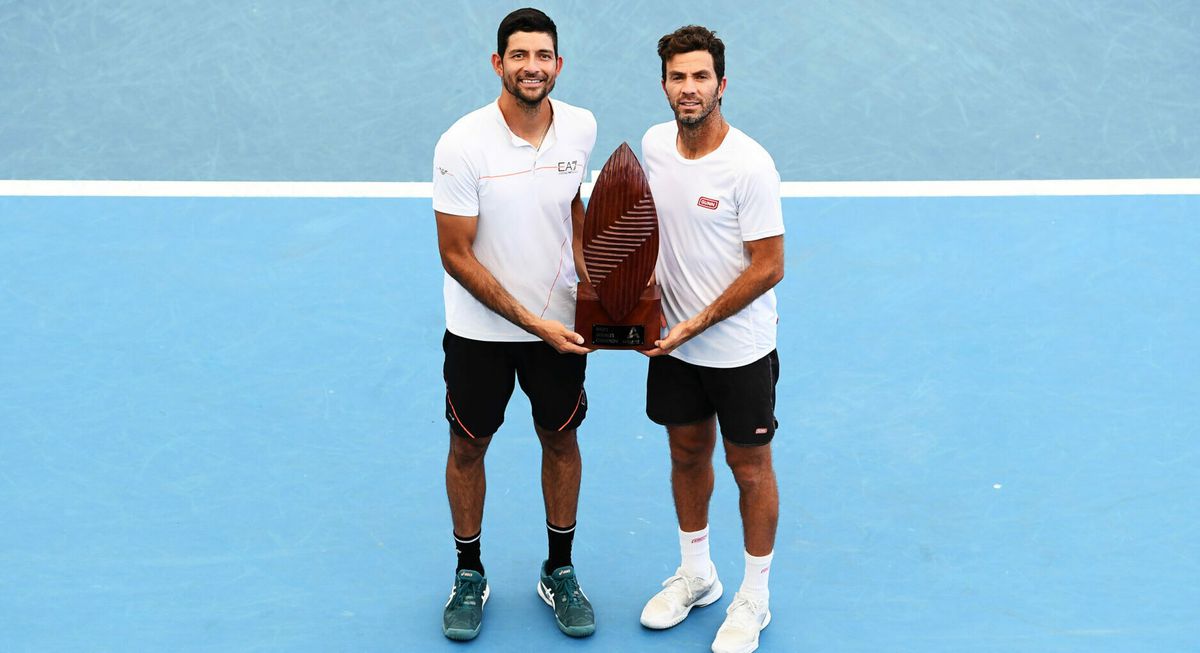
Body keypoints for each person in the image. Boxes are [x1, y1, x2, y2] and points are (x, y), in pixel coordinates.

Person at [431, 7, 597, 642]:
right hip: (480, 335)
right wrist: (534, 321)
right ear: (498, 64)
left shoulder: (580, 128)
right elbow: (455, 253)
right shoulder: (461, 144)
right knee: (468, 447)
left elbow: (573, 202)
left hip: (562, 328)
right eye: (519, 56)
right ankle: (469, 572)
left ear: (559, 64)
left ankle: (559, 570)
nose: (533, 67)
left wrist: (592, 282)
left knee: (561, 439)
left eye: (544, 56)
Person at [637, 25, 786, 653]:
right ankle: (698, 573)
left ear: (721, 85)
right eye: (678, 76)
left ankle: (755, 595)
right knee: (686, 456)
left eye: (701, 77)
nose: (689, 88)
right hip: (673, 347)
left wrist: (696, 321)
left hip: (738, 349)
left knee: (748, 468)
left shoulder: (749, 164)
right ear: (665, 83)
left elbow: (768, 264)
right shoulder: (653, 146)